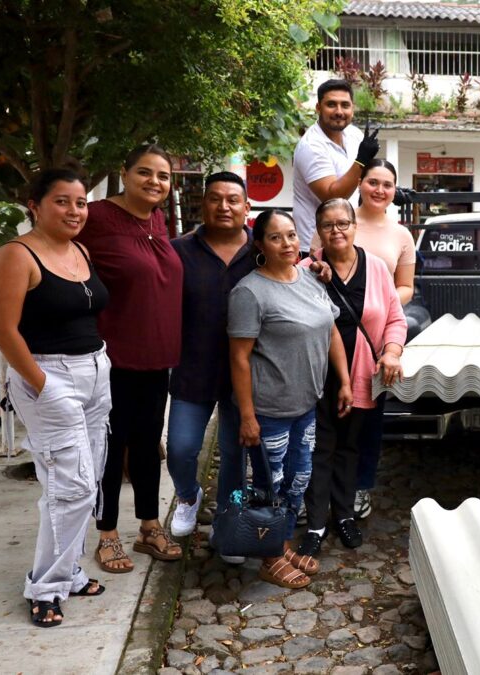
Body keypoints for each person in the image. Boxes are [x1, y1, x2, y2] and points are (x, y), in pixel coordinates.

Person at [0, 168, 112, 627]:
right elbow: (3, 330)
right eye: (62, 201)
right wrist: (41, 384)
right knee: (71, 484)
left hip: (96, 370)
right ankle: (44, 586)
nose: (75, 211)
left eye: (80, 203)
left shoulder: (80, 250)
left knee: (89, 478)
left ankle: (71, 571)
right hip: (48, 375)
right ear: (34, 205)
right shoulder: (15, 255)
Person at [228, 209, 352, 588]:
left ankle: (280, 545)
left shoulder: (310, 278)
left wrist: (344, 380)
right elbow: (239, 357)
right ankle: (268, 557)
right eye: (276, 237)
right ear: (260, 245)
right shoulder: (249, 292)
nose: (287, 244)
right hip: (269, 411)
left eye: (292, 236)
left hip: (306, 406)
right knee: (270, 485)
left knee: (298, 481)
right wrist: (247, 416)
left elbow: (331, 330)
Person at [76, 143, 184, 573]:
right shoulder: (97, 217)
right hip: (113, 357)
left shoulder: (159, 217)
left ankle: (149, 526)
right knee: (109, 447)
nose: (154, 182)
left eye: (163, 175)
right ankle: (106, 534)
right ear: (124, 172)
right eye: (145, 172)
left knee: (145, 444)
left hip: (156, 357)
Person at [299, 198, 407, 557]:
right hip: (317, 376)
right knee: (319, 448)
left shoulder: (375, 268)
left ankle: (344, 515)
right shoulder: (305, 270)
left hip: (362, 373)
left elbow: (395, 318)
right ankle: (316, 522)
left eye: (343, 223)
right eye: (328, 225)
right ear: (319, 231)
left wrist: (391, 352)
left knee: (350, 447)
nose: (336, 231)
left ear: (354, 226)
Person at [166, 172, 257, 550]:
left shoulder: (263, 250)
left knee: (236, 453)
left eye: (233, 199)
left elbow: (293, 277)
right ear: (202, 205)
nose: (224, 206)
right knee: (181, 448)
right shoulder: (178, 251)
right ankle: (189, 496)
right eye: (215, 199)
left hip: (247, 374)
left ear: (247, 207)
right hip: (193, 368)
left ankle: (229, 521)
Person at [344, 159, 415, 519]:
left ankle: (360, 487)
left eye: (387, 184)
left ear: (394, 190)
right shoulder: (341, 222)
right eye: (373, 182)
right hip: (336, 331)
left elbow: (405, 288)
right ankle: (322, 486)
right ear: (360, 183)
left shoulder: (401, 235)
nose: (379, 190)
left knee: (369, 419)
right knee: (328, 415)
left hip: (377, 334)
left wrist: (378, 301)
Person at [292, 78, 380, 245]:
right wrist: (361, 161)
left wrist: (390, 191)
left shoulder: (353, 134)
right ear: (318, 108)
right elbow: (332, 197)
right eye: (331, 104)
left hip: (346, 240)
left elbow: (365, 178)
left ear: (352, 109)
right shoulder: (311, 146)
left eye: (345, 105)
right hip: (314, 245)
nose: (339, 111)